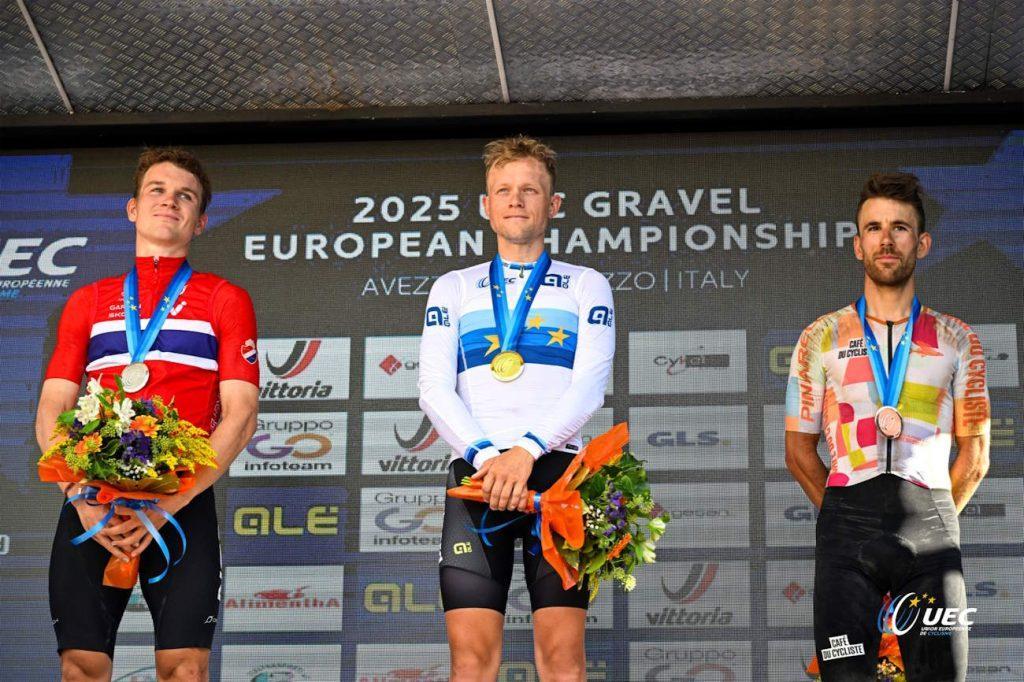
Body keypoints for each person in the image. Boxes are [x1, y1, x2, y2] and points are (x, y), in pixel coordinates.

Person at [35, 148, 259, 681]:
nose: (170, 201)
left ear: (200, 221)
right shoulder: (89, 301)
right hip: (91, 503)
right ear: (133, 208)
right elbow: (52, 408)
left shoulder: (225, 299)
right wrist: (80, 497)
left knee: (184, 669)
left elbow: (242, 415)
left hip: (181, 503)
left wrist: (168, 506)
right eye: (157, 190)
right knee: (81, 668)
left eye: (186, 196)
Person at [418, 135, 615, 682]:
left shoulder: (586, 284)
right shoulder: (453, 287)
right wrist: (488, 457)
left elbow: (590, 386)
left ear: (554, 204)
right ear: (486, 206)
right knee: (470, 664)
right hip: (476, 479)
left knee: (563, 663)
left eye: (530, 189)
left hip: (558, 475)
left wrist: (525, 452)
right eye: (503, 190)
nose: (516, 199)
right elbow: (433, 388)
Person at [785, 172, 990, 681]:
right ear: (858, 245)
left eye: (900, 228)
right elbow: (798, 450)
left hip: (931, 536)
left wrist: (933, 518)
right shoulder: (819, 338)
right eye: (874, 228)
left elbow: (976, 456)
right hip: (846, 538)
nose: (886, 239)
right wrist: (846, 516)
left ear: (922, 243)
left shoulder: (958, 339)